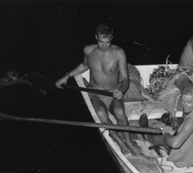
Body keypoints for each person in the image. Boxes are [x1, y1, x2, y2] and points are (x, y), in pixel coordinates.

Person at [55, 22, 141, 156]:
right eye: (101, 42)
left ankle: (129, 141)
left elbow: (125, 79)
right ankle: (120, 142)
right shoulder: (88, 50)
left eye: (107, 42)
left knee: (119, 112)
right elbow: (84, 66)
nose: (104, 46)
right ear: (96, 37)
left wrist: (121, 91)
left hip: (112, 92)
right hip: (94, 92)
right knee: (101, 114)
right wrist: (66, 76)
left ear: (112, 38)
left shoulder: (119, 53)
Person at [161, 84, 193, 168]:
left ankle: (147, 134)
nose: (184, 105)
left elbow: (175, 144)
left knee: (160, 137)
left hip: (190, 160)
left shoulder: (192, 121)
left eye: (189, 102)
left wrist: (166, 133)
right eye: (183, 100)